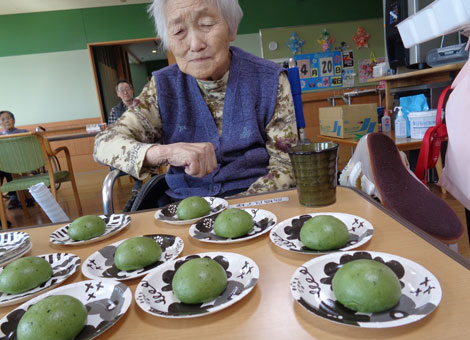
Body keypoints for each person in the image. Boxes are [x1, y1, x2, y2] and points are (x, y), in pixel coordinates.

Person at [94, 0, 298, 203]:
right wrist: (164, 152)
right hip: (184, 207)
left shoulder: (269, 80)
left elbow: (287, 165)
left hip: (258, 204)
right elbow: (104, 144)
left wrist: (234, 209)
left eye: (207, 24)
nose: (195, 45)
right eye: (178, 31)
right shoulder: (162, 86)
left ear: (232, 28)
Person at [107, 80, 142, 193]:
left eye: (127, 89)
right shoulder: (115, 111)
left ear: (132, 91)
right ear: (118, 94)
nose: (125, 92)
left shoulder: (141, 105)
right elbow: (112, 130)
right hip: (124, 140)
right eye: (122, 90)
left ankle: (138, 180)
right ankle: (136, 178)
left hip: (140, 138)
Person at [0, 110, 29, 209]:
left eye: (8, 118)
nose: (6, 121)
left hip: (22, 161)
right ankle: (13, 196)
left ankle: (19, 197)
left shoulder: (24, 132)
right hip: (6, 164)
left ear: (13, 120)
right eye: (2, 119)